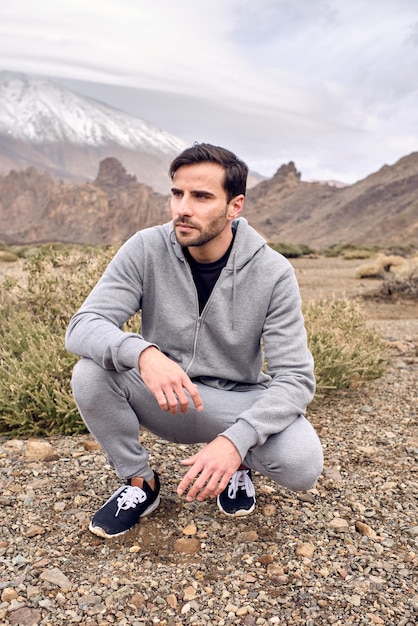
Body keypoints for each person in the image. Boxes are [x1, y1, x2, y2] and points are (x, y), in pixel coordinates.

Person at [66, 142, 323, 539]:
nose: (182, 208)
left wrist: (236, 442)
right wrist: (144, 353)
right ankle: (139, 483)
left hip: (233, 404)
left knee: (302, 463)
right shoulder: (146, 248)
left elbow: (295, 379)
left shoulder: (273, 272)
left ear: (234, 206)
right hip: (165, 396)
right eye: (177, 193)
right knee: (90, 374)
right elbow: (83, 325)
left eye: (201, 196)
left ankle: (237, 467)